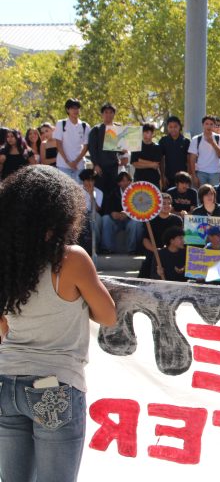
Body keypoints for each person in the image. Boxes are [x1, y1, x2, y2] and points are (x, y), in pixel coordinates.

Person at [0, 165, 117, 482]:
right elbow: (108, 316)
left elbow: (4, 328)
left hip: (5, 379)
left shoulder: (5, 260)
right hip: (57, 383)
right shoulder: (71, 259)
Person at [138, 193, 182, 279]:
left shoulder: (177, 220)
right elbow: (145, 240)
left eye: (169, 203)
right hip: (155, 251)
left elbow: (181, 239)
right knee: (148, 264)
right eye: (163, 203)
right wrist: (156, 251)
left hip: (172, 251)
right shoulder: (150, 220)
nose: (166, 205)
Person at [100, 171, 145, 254]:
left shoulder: (137, 193)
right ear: (118, 183)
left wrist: (128, 214)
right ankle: (107, 248)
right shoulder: (113, 192)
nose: (126, 183)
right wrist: (112, 213)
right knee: (105, 219)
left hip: (130, 220)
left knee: (136, 223)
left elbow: (140, 209)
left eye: (128, 180)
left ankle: (132, 250)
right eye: (123, 181)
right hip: (116, 220)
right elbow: (107, 207)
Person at [87, 102, 122, 195]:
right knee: (101, 192)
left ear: (114, 114)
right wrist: (96, 165)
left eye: (111, 112)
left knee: (114, 191)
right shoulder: (96, 129)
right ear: (102, 114)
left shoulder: (118, 128)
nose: (108, 114)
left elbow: (120, 149)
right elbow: (92, 149)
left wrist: (123, 150)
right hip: (101, 167)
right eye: (106, 112)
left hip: (114, 166)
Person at [53, 98, 91, 181]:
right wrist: (68, 162)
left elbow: (86, 147)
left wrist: (76, 162)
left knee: (79, 190)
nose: (75, 110)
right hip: (63, 165)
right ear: (67, 109)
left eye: (77, 108)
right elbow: (58, 144)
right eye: (73, 108)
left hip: (79, 165)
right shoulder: (61, 123)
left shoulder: (85, 126)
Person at [188, 115, 220, 187]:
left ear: (214, 126)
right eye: (206, 124)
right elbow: (192, 159)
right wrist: (194, 176)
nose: (209, 126)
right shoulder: (196, 139)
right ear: (203, 125)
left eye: (211, 124)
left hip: (216, 172)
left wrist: (213, 143)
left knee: (215, 196)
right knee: (200, 196)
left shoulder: (219, 138)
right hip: (201, 172)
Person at [158, 116, 190, 190]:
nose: (173, 129)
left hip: (183, 177)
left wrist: (188, 176)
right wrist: (162, 176)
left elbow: (189, 161)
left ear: (180, 127)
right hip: (168, 177)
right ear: (167, 128)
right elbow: (161, 160)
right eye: (170, 127)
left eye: (175, 126)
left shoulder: (186, 141)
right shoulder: (163, 141)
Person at [131, 123, 162, 188]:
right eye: (143, 132)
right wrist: (151, 164)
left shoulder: (157, 147)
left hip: (153, 180)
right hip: (139, 179)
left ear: (152, 134)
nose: (145, 134)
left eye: (147, 132)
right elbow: (134, 163)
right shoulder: (136, 146)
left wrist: (140, 160)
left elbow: (156, 165)